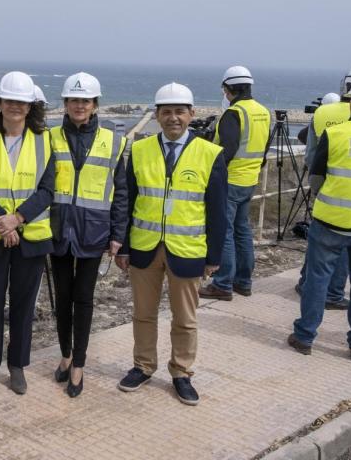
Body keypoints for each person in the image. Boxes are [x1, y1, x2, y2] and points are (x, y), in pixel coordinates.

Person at [115, 82, 227, 406]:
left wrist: (214, 256)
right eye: (166, 112)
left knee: (186, 319)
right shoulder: (139, 150)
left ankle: (181, 372)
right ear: (157, 115)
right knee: (143, 314)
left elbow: (218, 210)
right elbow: (127, 201)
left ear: (192, 114)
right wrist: (124, 247)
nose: (173, 118)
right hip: (144, 247)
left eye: (180, 111)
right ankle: (143, 366)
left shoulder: (210, 153)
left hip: (188, 251)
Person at [0, 71, 55, 395]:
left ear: (30, 107)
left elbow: (47, 190)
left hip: (30, 239)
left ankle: (17, 365)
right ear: (0, 104)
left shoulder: (45, 141)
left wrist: (17, 219)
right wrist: (1, 222)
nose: (15, 106)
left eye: (21, 102)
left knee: (23, 306)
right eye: (9, 100)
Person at [48, 73, 128, 398]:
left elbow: (120, 193)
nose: (79, 105)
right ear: (65, 104)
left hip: (94, 232)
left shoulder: (113, 141)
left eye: (85, 100)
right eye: (73, 100)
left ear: (95, 104)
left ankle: (79, 364)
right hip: (58, 232)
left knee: (83, 299)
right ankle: (65, 356)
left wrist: (118, 234)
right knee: (62, 299)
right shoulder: (49, 138)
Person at [288, 90, 351, 358]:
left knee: (317, 279)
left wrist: (325, 196)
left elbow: (316, 176)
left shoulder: (335, 133)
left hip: (329, 220)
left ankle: (304, 337)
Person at [200, 66, 270, 300]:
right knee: (242, 230)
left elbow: (226, 150)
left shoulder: (234, 113)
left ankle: (222, 284)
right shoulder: (263, 111)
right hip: (250, 180)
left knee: (225, 231)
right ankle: (243, 281)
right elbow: (265, 148)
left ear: (228, 88)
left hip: (230, 181)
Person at [295, 71, 351, 306]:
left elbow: (312, 155)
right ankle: (335, 295)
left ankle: (307, 323)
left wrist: (320, 192)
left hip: (328, 204)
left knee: (318, 265)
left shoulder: (324, 115)